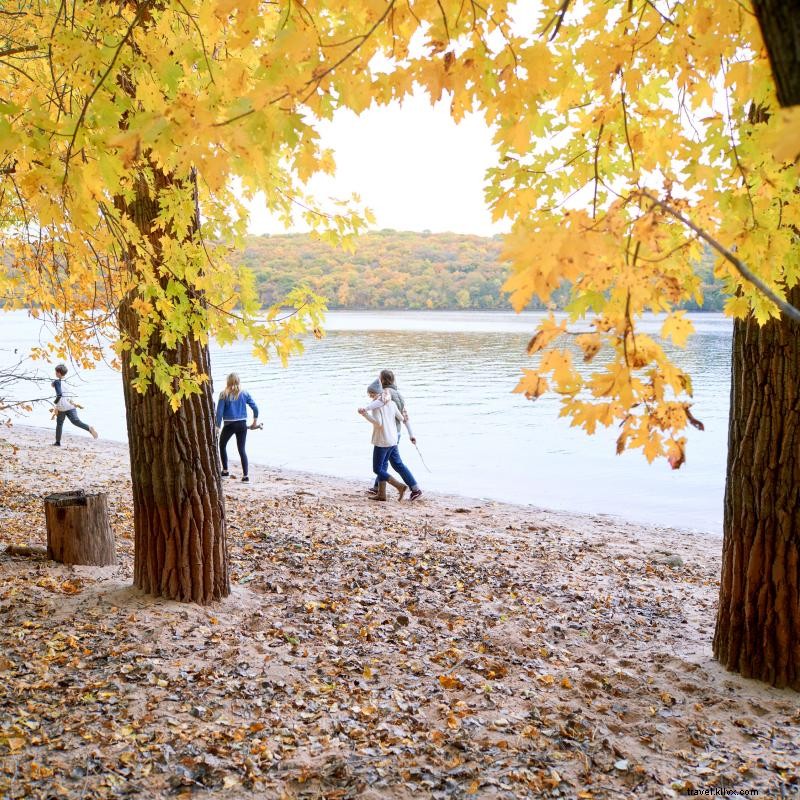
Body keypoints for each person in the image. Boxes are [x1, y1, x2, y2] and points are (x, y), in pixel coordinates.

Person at [358, 380, 422, 502]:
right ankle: (382, 494)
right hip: (393, 439)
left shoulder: (376, 406)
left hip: (382, 441)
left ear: (375, 393)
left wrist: (365, 415)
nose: (370, 396)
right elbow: (402, 418)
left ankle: (400, 486)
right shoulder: (392, 403)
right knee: (385, 465)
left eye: (371, 394)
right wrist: (410, 433)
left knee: (377, 469)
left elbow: (378, 423)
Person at [215, 373, 259, 483]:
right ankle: (245, 476)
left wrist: (217, 427)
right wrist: (254, 422)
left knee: (222, 445)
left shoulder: (223, 394)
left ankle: (225, 471)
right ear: (238, 381)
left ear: (228, 381)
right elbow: (255, 408)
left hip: (229, 425)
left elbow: (219, 413)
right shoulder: (244, 393)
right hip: (242, 425)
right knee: (242, 449)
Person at [51, 364, 98, 446]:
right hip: (71, 405)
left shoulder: (57, 382)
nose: (55, 373)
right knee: (76, 421)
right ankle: (89, 428)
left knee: (59, 424)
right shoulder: (68, 381)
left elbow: (59, 395)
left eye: (56, 371)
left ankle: (57, 442)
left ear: (58, 373)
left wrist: (54, 403)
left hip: (62, 407)